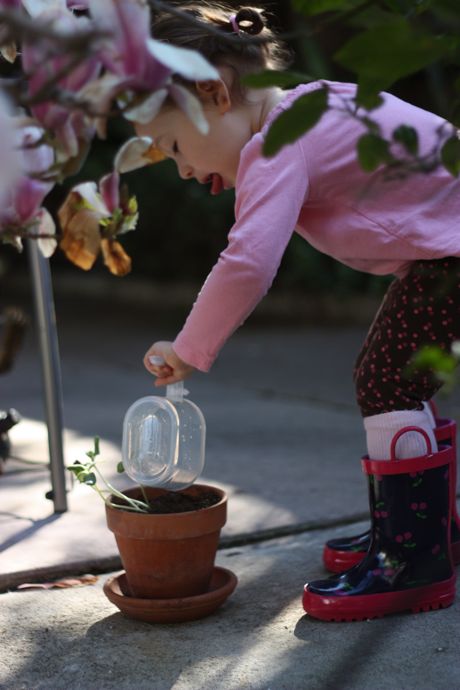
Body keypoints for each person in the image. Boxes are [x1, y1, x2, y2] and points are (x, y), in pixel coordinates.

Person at [135, 2, 460, 620]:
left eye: (175, 145)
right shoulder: (311, 104)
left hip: (454, 256)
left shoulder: (280, 144)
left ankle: (413, 562)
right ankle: (420, 532)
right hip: (448, 254)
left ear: (214, 92)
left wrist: (188, 349)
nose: (182, 170)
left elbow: (248, 262)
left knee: (387, 380)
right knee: (395, 375)